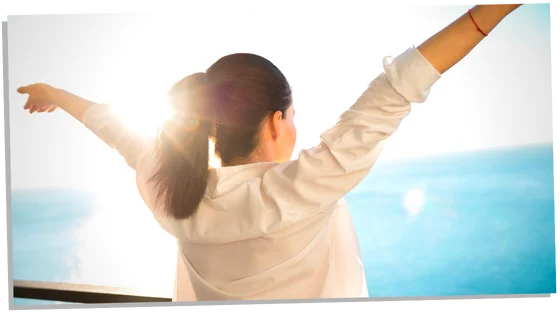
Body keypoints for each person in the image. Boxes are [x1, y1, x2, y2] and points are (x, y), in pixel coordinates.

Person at [17, 1, 524, 301]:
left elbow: (118, 131)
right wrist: (494, 8)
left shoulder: (173, 192)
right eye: (294, 115)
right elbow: (392, 93)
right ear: (276, 120)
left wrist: (58, 96)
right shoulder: (301, 190)